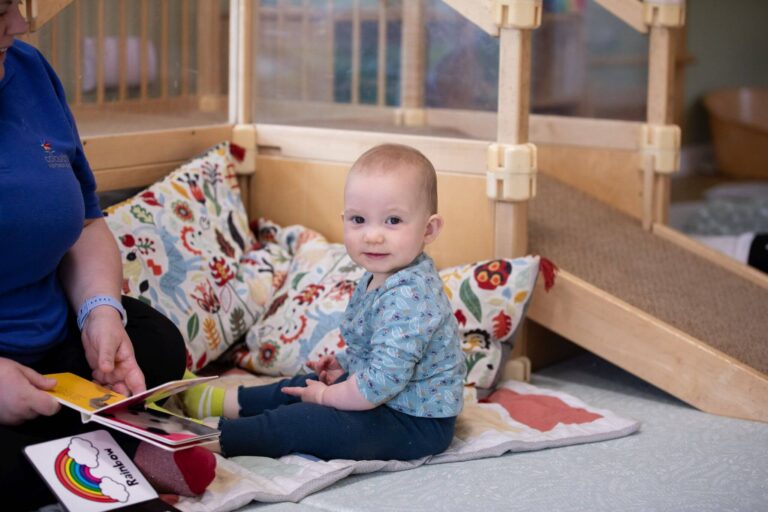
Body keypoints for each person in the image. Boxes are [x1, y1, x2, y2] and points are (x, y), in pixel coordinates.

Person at [0, 2, 214, 508]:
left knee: (154, 342)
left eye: (13, 5)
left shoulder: (30, 69)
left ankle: (71, 454)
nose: (19, 24)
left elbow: (86, 223)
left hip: (50, 347)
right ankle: (113, 449)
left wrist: (100, 312)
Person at [182, 143, 465, 461]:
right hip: (385, 396)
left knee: (306, 422)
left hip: (414, 422)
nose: (372, 235)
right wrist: (345, 366)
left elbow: (380, 383)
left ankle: (205, 443)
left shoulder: (410, 297)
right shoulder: (383, 273)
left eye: (393, 221)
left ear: (428, 229)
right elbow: (382, 350)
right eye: (359, 220)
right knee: (302, 385)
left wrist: (328, 396)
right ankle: (219, 402)